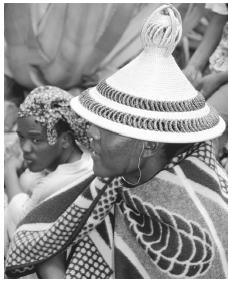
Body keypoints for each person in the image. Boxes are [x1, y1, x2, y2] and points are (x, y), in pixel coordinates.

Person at [5, 5, 228, 279]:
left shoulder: (186, 233)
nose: (91, 135)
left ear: (149, 144)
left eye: (108, 127)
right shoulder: (121, 180)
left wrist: (48, 263)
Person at [4, 86, 94, 278]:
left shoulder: (55, 183)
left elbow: (21, 220)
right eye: (21, 137)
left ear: (65, 140)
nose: (25, 148)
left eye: (36, 140)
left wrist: (9, 170)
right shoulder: (83, 156)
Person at [183, 4, 228, 169]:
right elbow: (220, 19)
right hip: (218, 68)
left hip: (220, 76)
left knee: (203, 131)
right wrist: (193, 66)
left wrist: (218, 78)